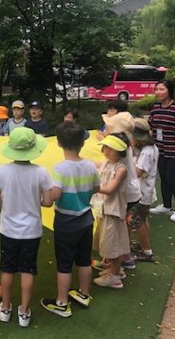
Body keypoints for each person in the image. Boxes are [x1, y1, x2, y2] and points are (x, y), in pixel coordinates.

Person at [0, 128, 52, 327]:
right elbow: (48, 201)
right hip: (32, 230)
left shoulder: (2, 171)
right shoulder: (41, 172)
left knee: (7, 268)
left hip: (8, 229)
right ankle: (24, 312)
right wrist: (35, 200)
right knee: (27, 269)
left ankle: (5, 308)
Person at [40, 122, 100, 318]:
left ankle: (62, 303)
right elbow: (96, 188)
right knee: (84, 260)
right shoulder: (90, 165)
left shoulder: (60, 168)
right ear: (82, 143)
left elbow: (55, 194)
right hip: (86, 219)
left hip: (66, 222)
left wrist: (43, 198)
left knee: (64, 263)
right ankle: (84, 293)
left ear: (58, 143)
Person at [148, 79, 175, 222]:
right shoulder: (156, 107)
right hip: (161, 150)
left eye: (162, 89)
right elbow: (150, 126)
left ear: (169, 91)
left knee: (172, 178)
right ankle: (166, 206)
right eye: (157, 89)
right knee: (164, 178)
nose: (158, 92)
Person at [92, 134, 130, 289]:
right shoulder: (107, 163)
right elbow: (93, 163)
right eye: (105, 147)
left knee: (113, 244)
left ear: (119, 151)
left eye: (111, 148)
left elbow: (109, 189)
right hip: (104, 209)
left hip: (113, 211)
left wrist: (91, 187)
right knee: (107, 242)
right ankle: (113, 270)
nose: (106, 151)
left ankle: (114, 276)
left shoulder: (121, 169)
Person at [131, 118, 158, 262]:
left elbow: (138, 172)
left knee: (137, 221)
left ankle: (147, 252)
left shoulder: (147, 152)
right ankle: (144, 246)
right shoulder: (149, 148)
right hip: (146, 192)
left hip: (141, 193)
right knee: (143, 219)